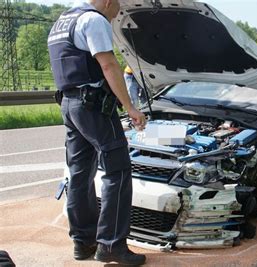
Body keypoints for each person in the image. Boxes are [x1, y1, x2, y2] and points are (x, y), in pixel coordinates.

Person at [47, 0, 147, 265]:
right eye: (118, 6)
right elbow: (109, 66)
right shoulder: (94, 20)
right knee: (118, 168)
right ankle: (112, 244)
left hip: (69, 105)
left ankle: (83, 241)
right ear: (107, 1)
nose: (118, 12)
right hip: (93, 107)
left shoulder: (62, 21)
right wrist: (131, 108)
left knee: (80, 172)